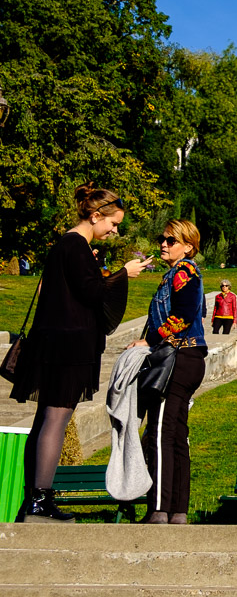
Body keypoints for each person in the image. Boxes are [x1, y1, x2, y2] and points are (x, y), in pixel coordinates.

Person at [12, 184, 151, 522]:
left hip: (56, 343)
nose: (115, 231)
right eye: (113, 224)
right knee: (56, 419)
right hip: (68, 346)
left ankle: (35, 497)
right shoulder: (75, 244)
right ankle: (40, 501)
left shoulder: (67, 245)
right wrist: (124, 273)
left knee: (45, 419)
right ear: (95, 216)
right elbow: (91, 293)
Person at [128, 219, 208, 524]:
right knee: (175, 436)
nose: (163, 244)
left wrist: (149, 339)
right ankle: (177, 511)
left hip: (177, 358)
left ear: (188, 246)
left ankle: (158, 509)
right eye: (162, 239)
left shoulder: (183, 272)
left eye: (171, 240)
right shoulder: (179, 273)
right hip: (189, 358)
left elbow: (184, 315)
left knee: (160, 433)